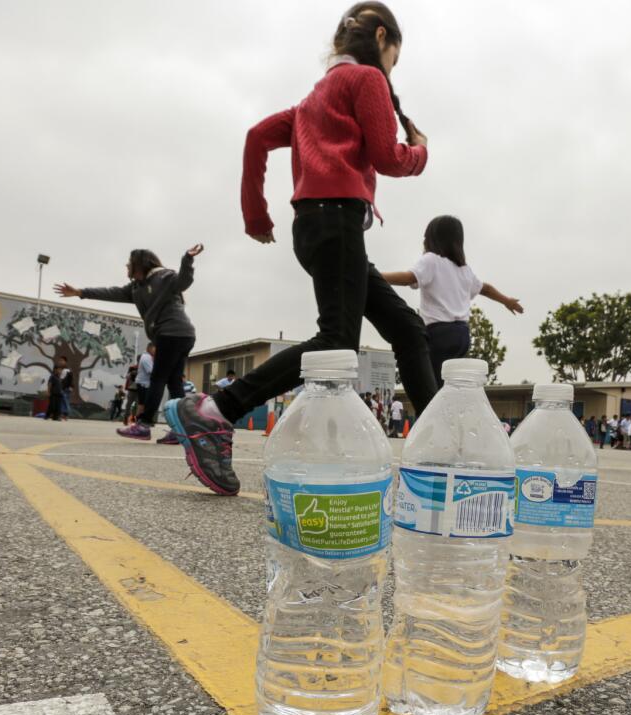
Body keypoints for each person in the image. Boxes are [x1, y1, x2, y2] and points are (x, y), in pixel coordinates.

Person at [164, 4, 432, 496]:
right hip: (336, 222)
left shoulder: (313, 100)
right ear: (380, 37)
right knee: (336, 343)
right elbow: (389, 158)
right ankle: (213, 411)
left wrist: (256, 216)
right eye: (396, 54)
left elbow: (255, 138)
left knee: (407, 329)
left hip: (318, 227)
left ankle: (439, 445)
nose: (394, 66)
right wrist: (419, 152)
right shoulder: (366, 80)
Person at [54, 244, 202, 445]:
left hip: (173, 333)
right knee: (174, 382)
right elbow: (110, 292)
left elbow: (184, 281)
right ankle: (181, 430)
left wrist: (187, 259)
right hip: (178, 335)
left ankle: (144, 425)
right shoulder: (136, 288)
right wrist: (80, 292)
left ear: (139, 265)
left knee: (158, 378)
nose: (126, 266)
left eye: (129, 263)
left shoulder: (164, 277)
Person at [378, 215, 523, 385]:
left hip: (439, 333)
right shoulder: (464, 270)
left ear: (431, 240)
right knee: (450, 382)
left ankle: (432, 409)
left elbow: (409, 277)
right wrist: (507, 301)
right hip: (462, 335)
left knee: (431, 383)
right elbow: (486, 288)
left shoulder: (431, 261)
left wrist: (376, 275)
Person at [46, 357, 72, 421]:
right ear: (55, 370)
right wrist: (49, 391)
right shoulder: (54, 376)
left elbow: (70, 379)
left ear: (65, 362)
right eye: (60, 360)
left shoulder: (67, 370)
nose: (60, 362)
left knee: (64, 403)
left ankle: (64, 415)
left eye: (62, 360)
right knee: (53, 405)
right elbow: (50, 383)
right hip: (55, 392)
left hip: (63, 390)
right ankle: (52, 415)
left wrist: (71, 386)